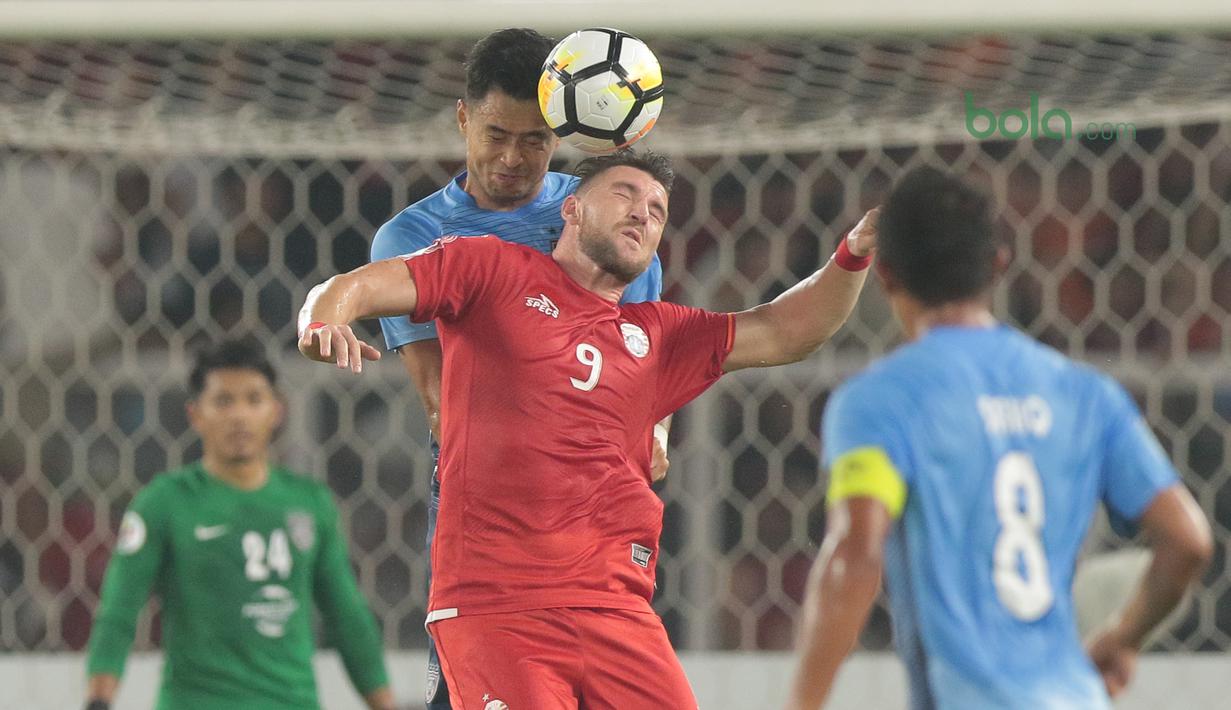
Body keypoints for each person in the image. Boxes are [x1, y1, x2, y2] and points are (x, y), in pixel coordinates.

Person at [297, 148, 878, 708]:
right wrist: (322, 321)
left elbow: (785, 330)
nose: (642, 214)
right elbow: (356, 286)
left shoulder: (658, 335)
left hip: (620, 611)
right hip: (502, 607)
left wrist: (852, 252)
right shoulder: (491, 269)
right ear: (571, 208)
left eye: (657, 211)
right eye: (625, 194)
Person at [783, 167, 1213, 710]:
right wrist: (1123, 637)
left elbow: (855, 557)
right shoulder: (1085, 393)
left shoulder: (878, 401)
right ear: (998, 266)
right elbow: (1188, 540)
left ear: (886, 274)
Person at [368, 28, 668, 708]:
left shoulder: (602, 214)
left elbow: (646, 362)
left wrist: (654, 431)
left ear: (561, 132)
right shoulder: (413, 237)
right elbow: (439, 399)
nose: (511, 158)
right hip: (487, 511)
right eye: (496, 134)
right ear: (462, 117)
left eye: (534, 140)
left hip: (599, 505)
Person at [84, 339, 394, 710]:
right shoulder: (164, 502)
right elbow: (119, 610)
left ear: (276, 411)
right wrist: (98, 700)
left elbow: (347, 617)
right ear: (195, 414)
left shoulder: (310, 503)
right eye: (223, 401)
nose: (239, 415)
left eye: (253, 399)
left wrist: (386, 704)